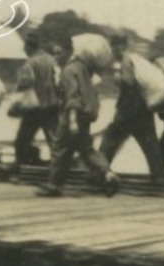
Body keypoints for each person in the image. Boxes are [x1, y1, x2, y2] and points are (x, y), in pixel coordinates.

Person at [37, 38, 119, 198]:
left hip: (71, 116)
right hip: (86, 115)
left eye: (59, 53)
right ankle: (107, 174)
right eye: (54, 53)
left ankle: (53, 185)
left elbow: (72, 96)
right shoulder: (83, 68)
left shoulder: (69, 70)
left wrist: (72, 121)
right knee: (86, 149)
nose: (55, 56)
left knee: (59, 149)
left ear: (69, 51)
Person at [98, 34, 164, 183]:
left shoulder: (126, 60)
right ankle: (159, 176)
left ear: (119, 47)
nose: (112, 51)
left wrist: (118, 81)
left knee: (110, 139)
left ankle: (98, 174)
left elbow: (128, 84)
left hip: (129, 109)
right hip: (143, 109)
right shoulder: (137, 59)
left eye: (113, 47)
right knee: (149, 143)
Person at [10, 32, 61, 179]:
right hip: (52, 104)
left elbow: (26, 82)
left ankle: (17, 167)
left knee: (23, 138)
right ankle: (58, 168)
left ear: (28, 47)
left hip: (35, 107)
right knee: (54, 139)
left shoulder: (30, 63)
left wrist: (18, 89)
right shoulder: (52, 60)